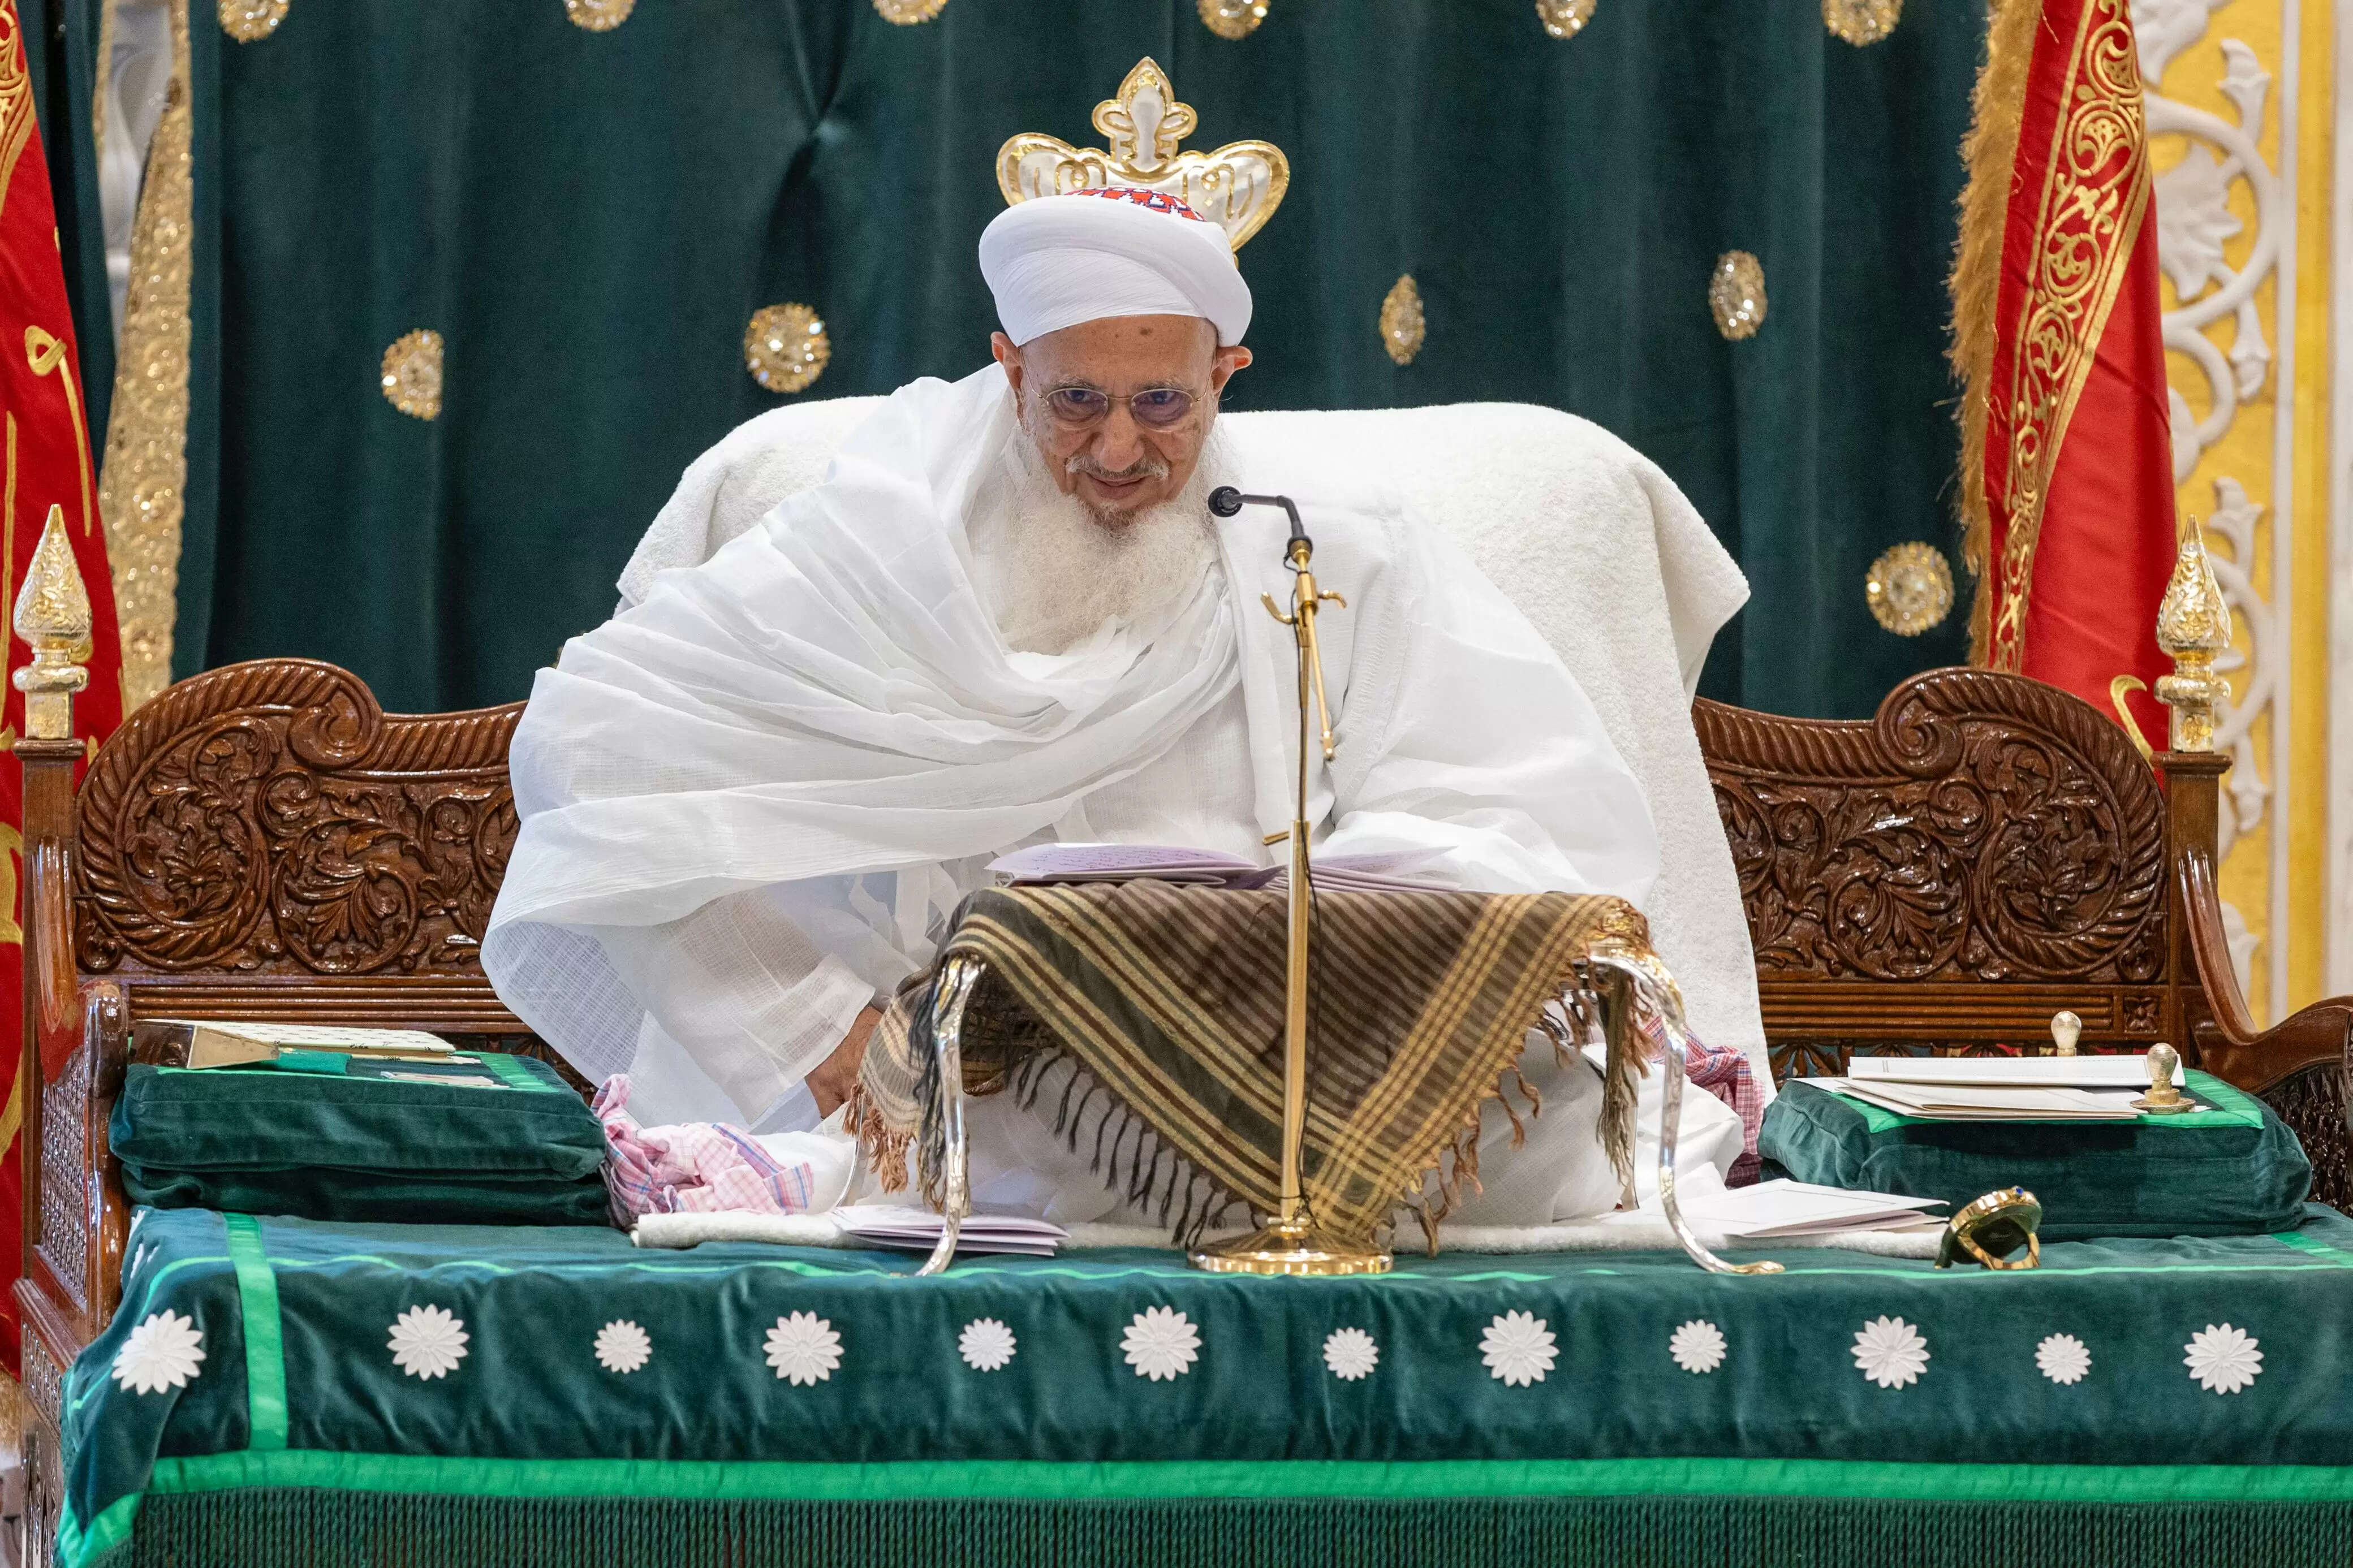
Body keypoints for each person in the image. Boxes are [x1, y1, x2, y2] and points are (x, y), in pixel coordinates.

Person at [483, 187, 1740, 1228]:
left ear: (1225, 374)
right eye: (1074, 401)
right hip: (977, 1066)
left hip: (1292, 1042)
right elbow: (594, 750)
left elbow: (1512, 805)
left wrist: (1348, 950)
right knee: (1002, 1146)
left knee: (1547, 1126)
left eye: (1163, 404)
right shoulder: (877, 533)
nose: (1120, 451)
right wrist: (821, 1034)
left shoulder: (1337, 545)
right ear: (1009, 366)